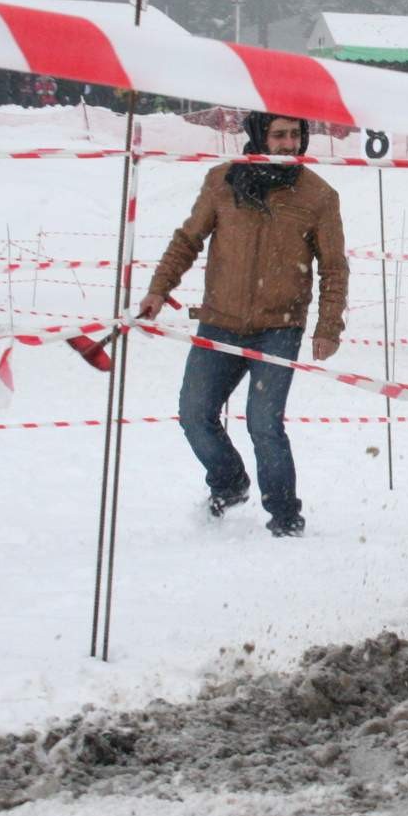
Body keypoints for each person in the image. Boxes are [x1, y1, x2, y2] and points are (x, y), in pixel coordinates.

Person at [139, 112, 348, 537]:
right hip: (219, 322)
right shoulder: (222, 182)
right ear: (259, 137)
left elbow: (334, 268)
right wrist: (159, 289)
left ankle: (285, 516)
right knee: (194, 414)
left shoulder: (319, 196)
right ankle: (229, 482)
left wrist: (328, 326)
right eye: (279, 135)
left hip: (279, 327)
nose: (289, 144)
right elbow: (187, 240)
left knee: (264, 424)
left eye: (295, 135)